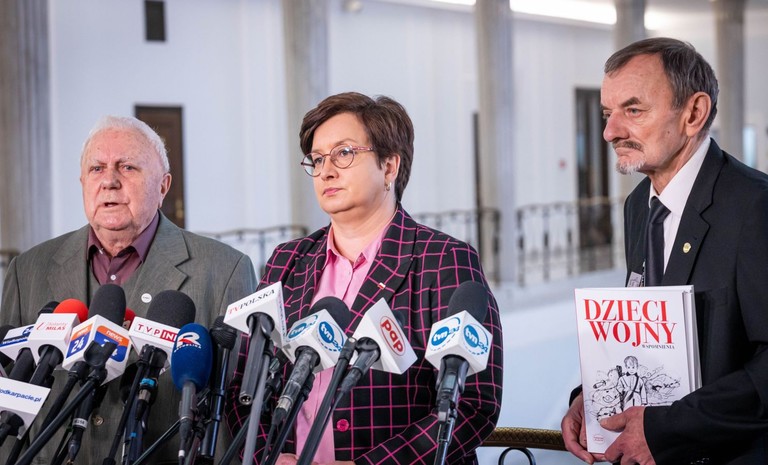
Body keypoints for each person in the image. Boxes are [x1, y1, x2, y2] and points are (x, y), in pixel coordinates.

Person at [226, 92, 503, 465]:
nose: (326, 171)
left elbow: (474, 404)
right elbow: (244, 384)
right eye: (317, 159)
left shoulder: (443, 260)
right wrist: (268, 456)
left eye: (343, 153)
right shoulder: (287, 260)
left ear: (389, 167)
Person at [0, 115, 257, 464]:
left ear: (163, 186)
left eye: (127, 167)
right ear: (82, 182)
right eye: (96, 169)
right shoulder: (27, 270)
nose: (109, 181)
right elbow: (8, 402)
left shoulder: (225, 269)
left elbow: (233, 416)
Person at [561, 37, 768, 465]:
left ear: (694, 114)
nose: (610, 132)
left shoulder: (756, 206)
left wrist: (665, 428)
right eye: (608, 114)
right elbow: (649, 336)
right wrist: (595, 397)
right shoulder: (638, 206)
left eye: (633, 110)